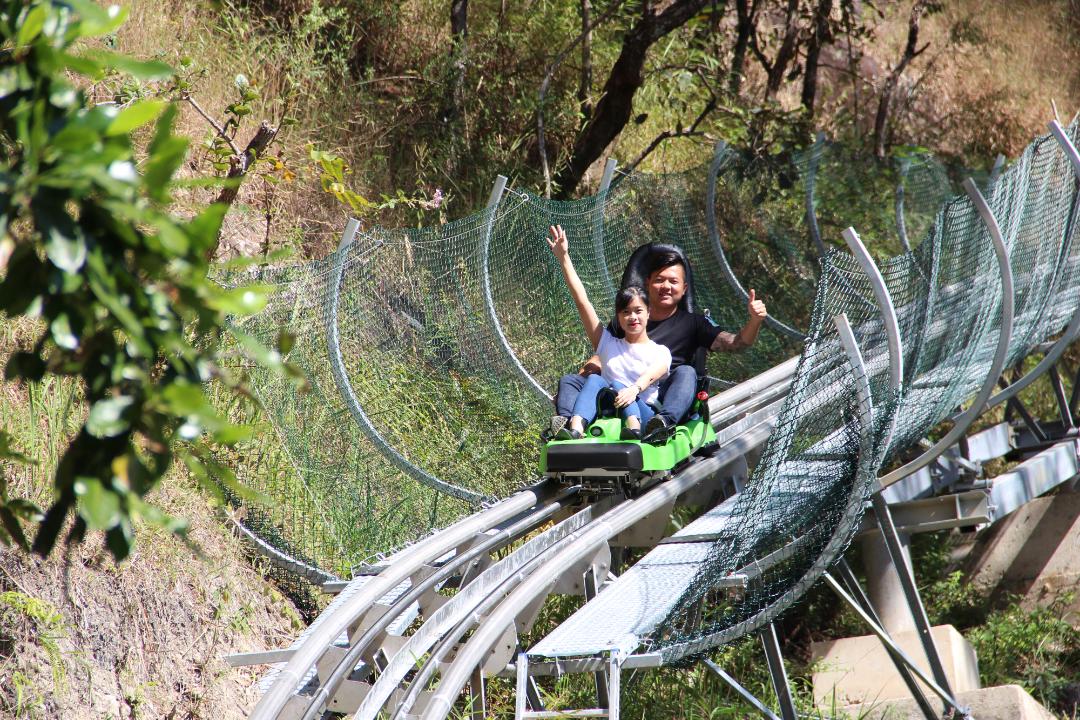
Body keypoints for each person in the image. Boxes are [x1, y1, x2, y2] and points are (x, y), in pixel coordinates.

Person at [548, 241, 768, 442]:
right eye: (659, 280)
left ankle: (662, 423)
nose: (666, 286)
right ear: (648, 283)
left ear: (684, 289)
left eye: (673, 281)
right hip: (613, 392)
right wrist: (564, 258)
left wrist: (755, 321)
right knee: (573, 380)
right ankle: (568, 425)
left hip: (655, 394)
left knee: (686, 372)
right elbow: (599, 345)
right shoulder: (622, 325)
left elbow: (737, 343)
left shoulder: (686, 330)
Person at [546, 225, 671, 440]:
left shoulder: (660, 352)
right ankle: (573, 428)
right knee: (593, 381)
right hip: (607, 413)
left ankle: (634, 429)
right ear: (619, 317)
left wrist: (633, 389)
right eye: (626, 312)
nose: (632, 317)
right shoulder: (607, 343)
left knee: (617, 384)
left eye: (638, 311)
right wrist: (564, 258)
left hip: (642, 410)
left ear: (648, 313)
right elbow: (582, 301)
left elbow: (652, 375)